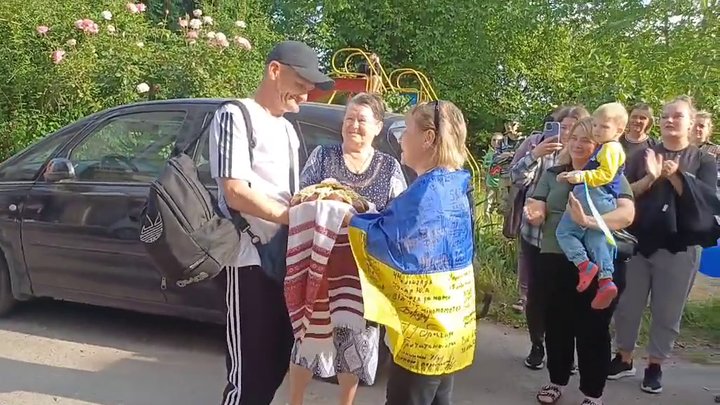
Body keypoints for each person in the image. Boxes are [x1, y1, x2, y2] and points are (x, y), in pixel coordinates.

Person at [208, 40, 334, 405]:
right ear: (274, 70)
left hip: (284, 260)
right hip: (247, 260)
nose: (305, 96)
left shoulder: (288, 130)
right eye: (300, 84)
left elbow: (289, 194)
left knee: (276, 364)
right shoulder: (235, 115)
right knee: (248, 377)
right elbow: (235, 191)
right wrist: (290, 216)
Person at [346, 100, 475, 405]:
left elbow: (389, 245)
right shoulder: (452, 182)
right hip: (451, 325)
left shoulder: (426, 192)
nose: (401, 139)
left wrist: (350, 219)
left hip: (423, 333)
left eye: (406, 131)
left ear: (428, 138)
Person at [287, 92, 407, 405]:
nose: (353, 125)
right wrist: (328, 203)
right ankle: (294, 401)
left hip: (363, 272)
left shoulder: (389, 167)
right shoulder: (323, 156)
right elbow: (300, 200)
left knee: (356, 343)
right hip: (320, 264)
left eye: (361, 120)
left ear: (377, 127)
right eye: (349, 118)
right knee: (306, 341)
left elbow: (398, 219)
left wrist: (358, 214)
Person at [609, 97, 720, 394]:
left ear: (691, 122)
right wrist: (651, 177)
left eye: (677, 116)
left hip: (679, 247)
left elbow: (707, 203)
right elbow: (623, 194)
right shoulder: (642, 155)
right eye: (665, 116)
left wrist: (675, 177)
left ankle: (655, 364)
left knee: (667, 310)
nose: (670, 120)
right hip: (637, 243)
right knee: (627, 305)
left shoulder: (703, 160)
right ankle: (624, 358)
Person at [525, 117, 636, 405]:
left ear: (598, 145)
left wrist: (588, 222)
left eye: (586, 139)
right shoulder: (555, 173)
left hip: (598, 264)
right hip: (554, 257)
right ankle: (556, 381)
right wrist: (535, 211)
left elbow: (626, 215)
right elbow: (537, 201)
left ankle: (592, 393)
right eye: (574, 137)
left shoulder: (610, 175)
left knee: (593, 329)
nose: (577, 144)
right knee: (556, 325)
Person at [509, 105, 589, 368]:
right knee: (536, 296)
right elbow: (516, 178)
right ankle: (538, 345)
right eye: (563, 127)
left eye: (573, 130)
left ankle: (564, 350)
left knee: (569, 297)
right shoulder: (541, 149)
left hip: (574, 241)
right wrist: (535, 154)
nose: (567, 134)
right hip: (536, 236)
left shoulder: (589, 157)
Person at [555, 102, 628, 310]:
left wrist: (580, 176)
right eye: (595, 125)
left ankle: (584, 264)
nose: (597, 130)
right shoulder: (608, 148)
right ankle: (606, 280)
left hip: (595, 196)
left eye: (603, 126)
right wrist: (571, 176)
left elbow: (605, 175)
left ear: (619, 130)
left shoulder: (611, 148)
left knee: (565, 232)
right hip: (600, 198)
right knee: (597, 238)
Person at [483, 133, 504, 217]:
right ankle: (487, 219)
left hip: (502, 183)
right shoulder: (489, 154)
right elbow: (484, 169)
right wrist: (484, 181)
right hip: (490, 183)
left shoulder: (505, 153)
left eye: (499, 141)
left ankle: (500, 220)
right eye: (494, 140)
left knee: (501, 203)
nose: (496, 142)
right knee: (489, 202)